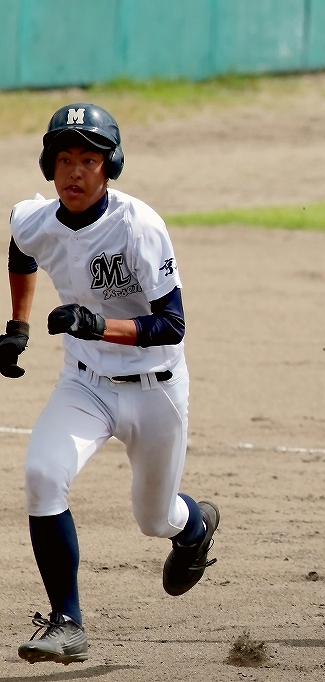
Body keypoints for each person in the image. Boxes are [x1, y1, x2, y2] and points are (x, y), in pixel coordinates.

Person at [0, 103, 220, 664]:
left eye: (90, 159)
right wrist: (18, 326)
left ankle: (193, 525)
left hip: (156, 388)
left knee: (154, 519)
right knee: (43, 474)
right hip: (85, 384)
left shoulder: (138, 226)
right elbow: (22, 252)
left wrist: (99, 325)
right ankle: (66, 621)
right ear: (50, 166)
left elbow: (172, 325)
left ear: (110, 166)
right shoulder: (34, 218)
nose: (76, 171)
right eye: (65, 159)